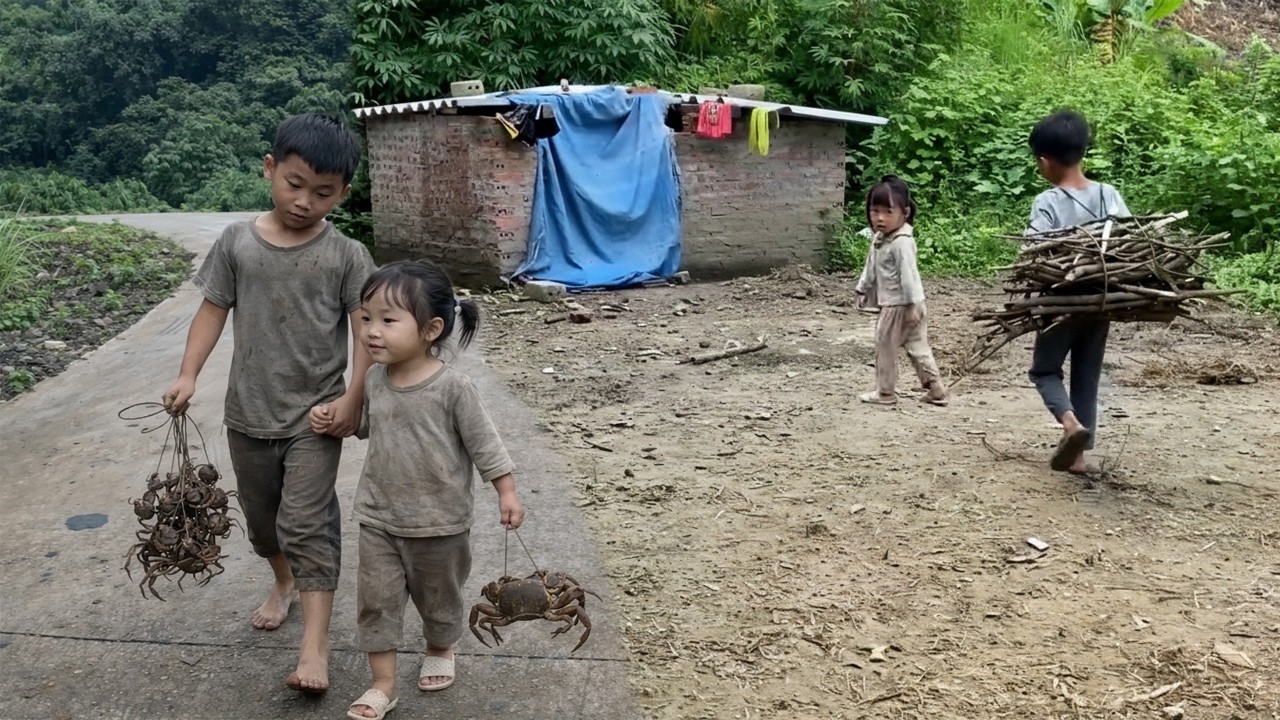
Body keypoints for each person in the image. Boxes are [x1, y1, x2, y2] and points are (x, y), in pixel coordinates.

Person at [161, 113, 375, 693]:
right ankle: (281, 581)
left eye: (324, 193)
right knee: (263, 523)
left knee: (307, 523)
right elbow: (212, 310)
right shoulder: (236, 243)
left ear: (343, 194)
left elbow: (367, 331)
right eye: (295, 184)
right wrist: (187, 375)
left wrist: (355, 398)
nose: (306, 201)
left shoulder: (347, 255)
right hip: (247, 415)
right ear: (270, 170)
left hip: (317, 417)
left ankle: (315, 644)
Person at [314, 260, 525, 720]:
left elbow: (486, 445)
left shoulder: (453, 388)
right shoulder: (373, 379)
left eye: (388, 320)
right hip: (378, 518)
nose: (371, 331)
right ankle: (383, 685)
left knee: (440, 599)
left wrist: (505, 492)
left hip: (440, 523)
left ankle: (440, 647)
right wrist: (335, 418)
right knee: (377, 604)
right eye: (366, 318)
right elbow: (366, 427)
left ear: (430, 329)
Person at [1024, 109, 1131, 473]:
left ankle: (1070, 426)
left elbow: (1032, 252)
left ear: (1044, 161)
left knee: (1045, 372)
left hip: (1060, 304)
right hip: (1101, 302)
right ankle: (1080, 458)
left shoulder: (1047, 202)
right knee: (1087, 376)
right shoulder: (1109, 195)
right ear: (1083, 151)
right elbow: (1129, 243)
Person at [854, 175, 949, 407]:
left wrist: (912, 304)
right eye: (875, 211)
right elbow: (870, 266)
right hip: (910, 304)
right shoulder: (881, 239)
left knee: (884, 346)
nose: (880, 218)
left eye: (888, 212)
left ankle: (885, 393)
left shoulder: (901, 242)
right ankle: (936, 389)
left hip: (899, 305)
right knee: (918, 347)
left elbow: (910, 276)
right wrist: (862, 288)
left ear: (904, 213)